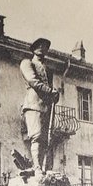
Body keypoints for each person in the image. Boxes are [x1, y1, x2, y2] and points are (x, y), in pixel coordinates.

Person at [20, 38, 59, 175]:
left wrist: (55, 95)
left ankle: (44, 168)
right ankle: (37, 167)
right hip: (33, 105)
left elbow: (50, 87)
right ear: (34, 48)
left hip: (47, 107)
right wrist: (50, 91)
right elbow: (33, 81)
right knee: (36, 136)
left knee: (46, 139)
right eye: (40, 45)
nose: (43, 48)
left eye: (45, 46)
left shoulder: (48, 69)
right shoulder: (27, 63)